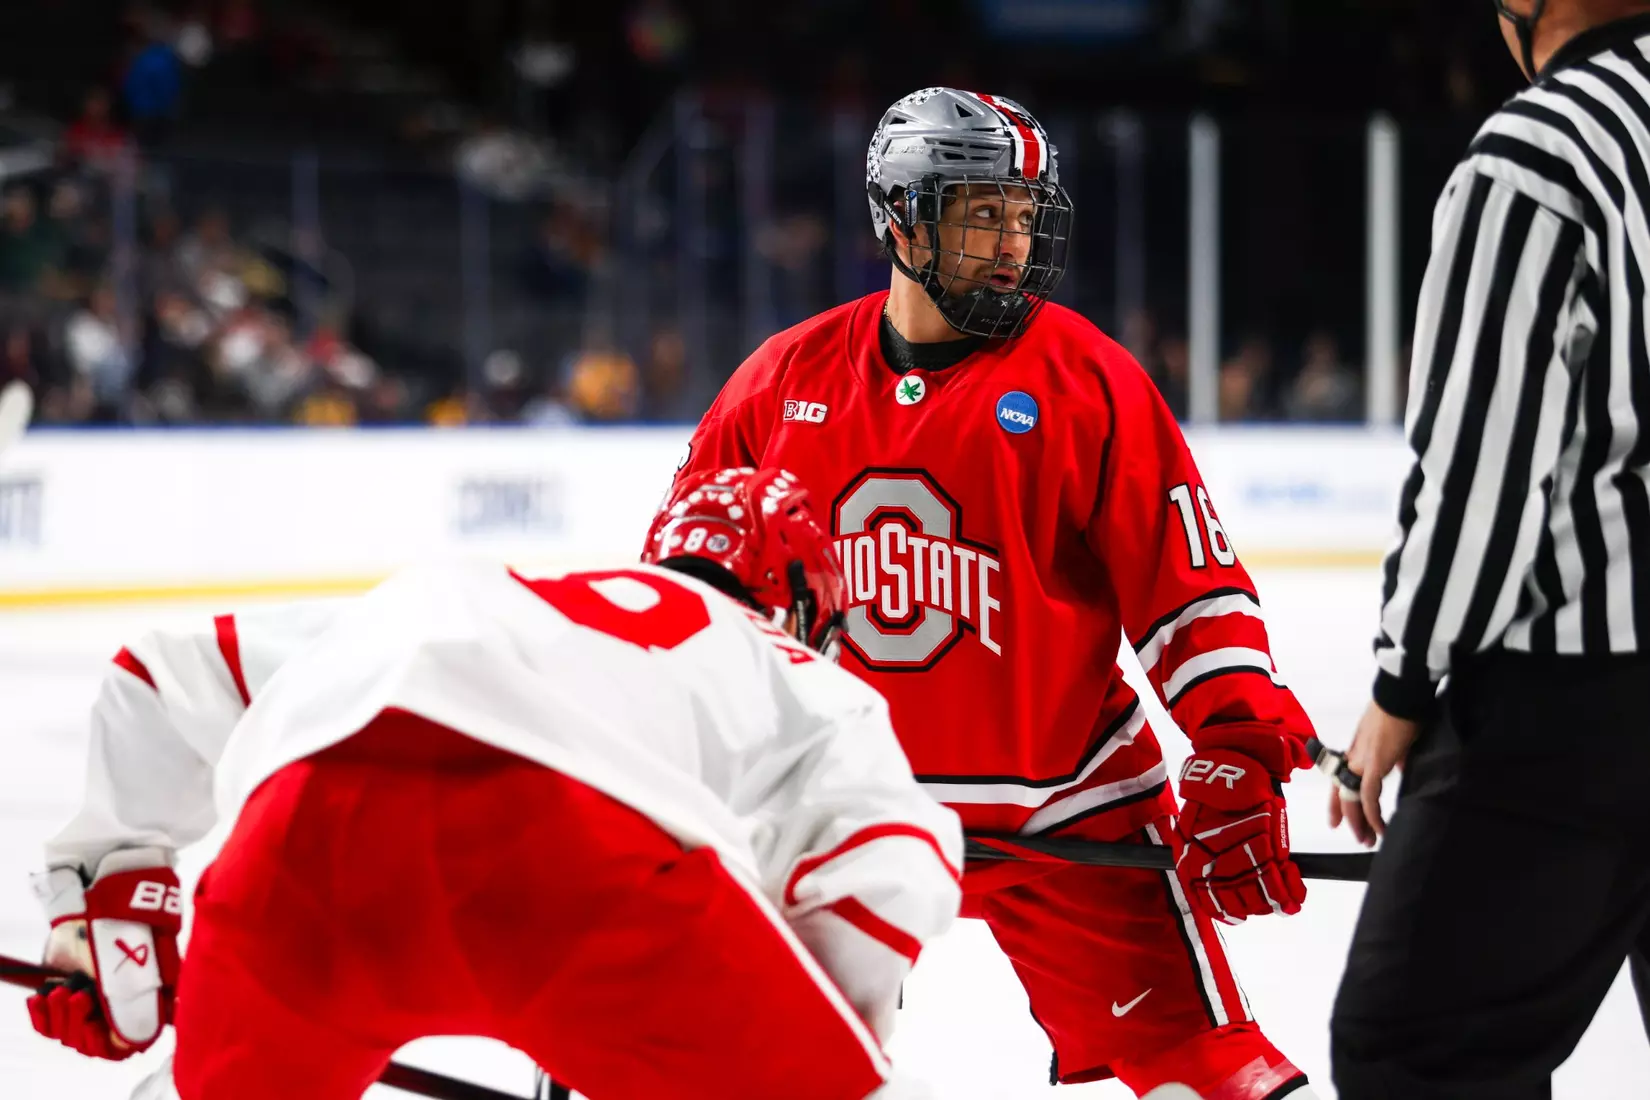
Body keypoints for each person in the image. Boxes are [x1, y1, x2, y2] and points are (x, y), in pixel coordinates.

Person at [669, 87, 1320, 1100]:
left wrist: (1240, 743)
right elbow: (688, 603)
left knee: (1208, 1070)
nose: (1014, 242)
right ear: (900, 218)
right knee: (765, 1073)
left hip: (1067, 809)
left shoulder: (1086, 378)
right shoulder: (778, 380)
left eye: (1025, 214)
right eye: (983, 212)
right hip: (842, 812)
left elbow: (1189, 587)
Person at [26, 466, 963, 1100]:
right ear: (795, 598)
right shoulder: (789, 665)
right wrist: (783, 1025)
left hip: (300, 861)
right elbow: (890, 866)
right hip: (578, 880)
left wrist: (106, 910)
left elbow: (156, 675)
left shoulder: (479, 595)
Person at [1326, 3, 1650, 1098]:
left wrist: (1402, 680)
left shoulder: (1542, 147)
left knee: (1419, 1051)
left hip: (1578, 699)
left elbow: (1481, 465)